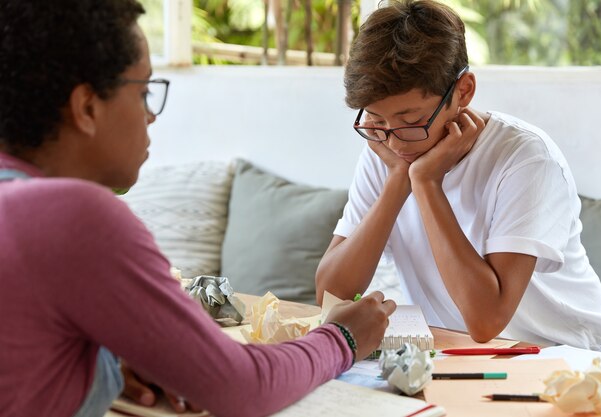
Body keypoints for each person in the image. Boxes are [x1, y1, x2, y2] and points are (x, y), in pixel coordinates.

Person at [0, 1, 397, 416]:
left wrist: (105, 364)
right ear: (86, 108)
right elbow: (241, 388)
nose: (151, 116)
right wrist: (343, 338)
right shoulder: (76, 216)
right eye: (143, 91)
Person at [316, 0, 601, 355]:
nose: (394, 139)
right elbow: (331, 294)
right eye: (378, 120)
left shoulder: (525, 158)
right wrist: (399, 180)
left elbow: (486, 321)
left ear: (462, 91)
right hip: (466, 359)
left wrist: (426, 183)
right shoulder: (388, 151)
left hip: (572, 359)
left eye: (411, 120)